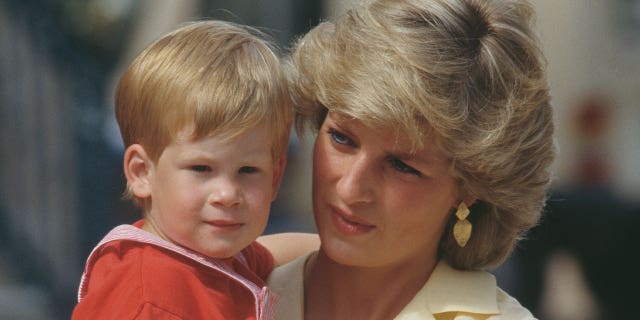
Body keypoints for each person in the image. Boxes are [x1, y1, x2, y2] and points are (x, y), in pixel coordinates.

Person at [267, 0, 555, 319]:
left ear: (471, 186)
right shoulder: (234, 282)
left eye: (402, 166)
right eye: (341, 138)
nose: (350, 188)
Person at [72, 20, 312, 320]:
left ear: (276, 178)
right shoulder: (144, 298)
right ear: (142, 172)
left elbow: (275, 252)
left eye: (248, 170)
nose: (227, 194)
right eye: (202, 168)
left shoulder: (215, 255)